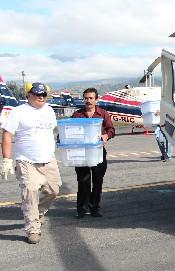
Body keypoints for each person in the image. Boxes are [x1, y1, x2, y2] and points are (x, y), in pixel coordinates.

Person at [0, 82, 62, 244]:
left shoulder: (49, 110)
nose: (41, 97)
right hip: (27, 161)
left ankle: (39, 212)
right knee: (30, 194)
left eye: (43, 95)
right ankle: (32, 229)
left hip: (48, 160)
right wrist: (6, 159)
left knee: (53, 190)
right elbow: (7, 135)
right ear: (29, 95)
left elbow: (53, 131)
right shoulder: (18, 112)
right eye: (37, 94)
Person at [71, 87, 115, 218]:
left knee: (97, 181)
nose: (88, 101)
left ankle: (94, 208)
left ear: (96, 99)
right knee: (83, 181)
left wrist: (106, 135)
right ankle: (81, 209)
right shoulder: (77, 115)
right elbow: (70, 130)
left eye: (91, 98)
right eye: (86, 98)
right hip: (82, 153)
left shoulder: (103, 114)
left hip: (98, 152)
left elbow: (111, 129)